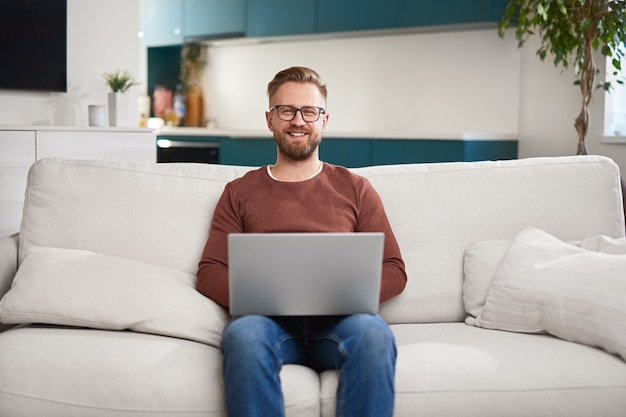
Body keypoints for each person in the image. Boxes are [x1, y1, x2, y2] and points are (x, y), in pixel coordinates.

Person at [197, 66, 407, 417]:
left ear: (324, 120)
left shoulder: (356, 189)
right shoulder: (239, 192)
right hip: (267, 324)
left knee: (373, 335)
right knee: (243, 336)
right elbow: (210, 271)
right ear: (270, 119)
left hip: (340, 323)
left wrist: (345, 292)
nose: (298, 120)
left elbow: (394, 269)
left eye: (309, 111)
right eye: (286, 110)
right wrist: (264, 296)